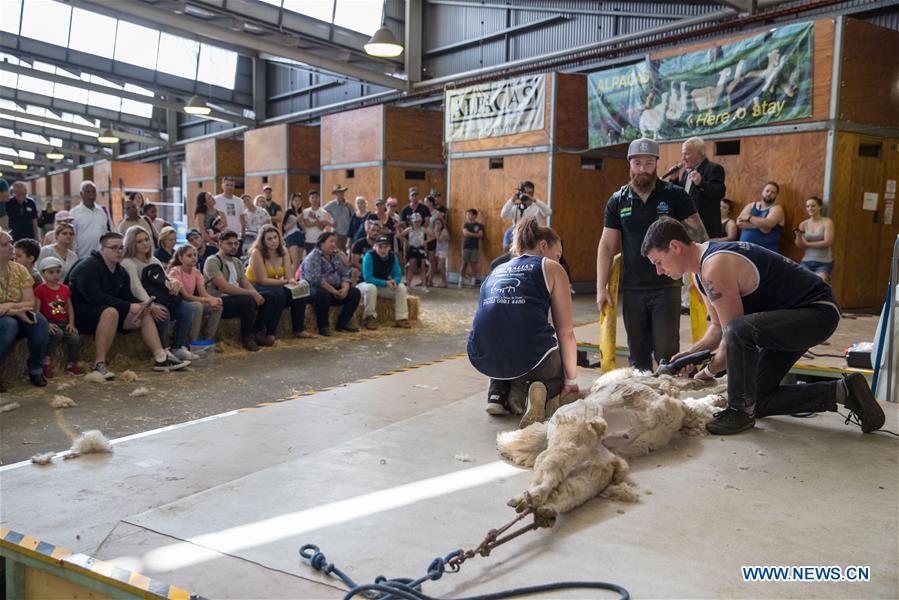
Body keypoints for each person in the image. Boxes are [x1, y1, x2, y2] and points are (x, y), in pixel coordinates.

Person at [640, 217, 884, 435]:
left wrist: (706, 373)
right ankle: (844, 391)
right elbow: (716, 327)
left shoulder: (714, 266)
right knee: (756, 399)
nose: (659, 271)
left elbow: (730, 338)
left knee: (739, 336)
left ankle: (738, 412)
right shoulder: (699, 273)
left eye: (658, 262)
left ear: (674, 247)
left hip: (817, 312)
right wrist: (692, 354)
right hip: (787, 318)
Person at [595, 137, 708, 371]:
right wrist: (600, 287)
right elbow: (607, 245)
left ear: (657, 163)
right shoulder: (618, 200)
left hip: (667, 286)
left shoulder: (675, 195)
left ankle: (666, 404)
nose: (643, 169)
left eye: (648, 163)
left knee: (668, 354)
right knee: (637, 357)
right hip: (633, 287)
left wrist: (701, 276)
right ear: (629, 164)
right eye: (637, 163)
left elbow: (699, 237)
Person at [467, 217, 578, 426]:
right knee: (558, 358)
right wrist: (571, 381)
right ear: (544, 246)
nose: (559, 260)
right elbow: (566, 333)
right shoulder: (551, 268)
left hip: (481, 355)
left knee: (504, 332)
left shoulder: (496, 270)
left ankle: (499, 395)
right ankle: (542, 390)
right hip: (526, 355)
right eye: (558, 255)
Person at [67, 231, 190, 379]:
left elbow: (126, 297)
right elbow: (95, 298)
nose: (119, 251)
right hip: (78, 314)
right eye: (114, 248)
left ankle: (161, 357)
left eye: (121, 248)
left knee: (143, 311)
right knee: (111, 312)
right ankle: (99, 365)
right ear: (102, 249)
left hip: (108, 311)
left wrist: (143, 305)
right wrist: (129, 306)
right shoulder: (88, 267)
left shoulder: (120, 271)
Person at [121, 227, 197, 362]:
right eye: (139, 241)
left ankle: (178, 347)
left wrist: (175, 283)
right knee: (163, 312)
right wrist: (151, 306)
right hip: (141, 302)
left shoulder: (154, 260)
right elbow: (136, 288)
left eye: (146, 240)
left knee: (187, 308)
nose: (145, 243)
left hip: (160, 297)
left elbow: (166, 279)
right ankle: (163, 350)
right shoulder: (128, 262)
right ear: (132, 244)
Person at [203, 230, 280, 352]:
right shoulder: (213, 261)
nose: (233, 246)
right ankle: (246, 337)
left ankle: (256, 332)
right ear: (220, 244)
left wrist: (256, 294)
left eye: (235, 243)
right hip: (220, 301)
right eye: (229, 244)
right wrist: (251, 293)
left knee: (270, 297)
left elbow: (245, 282)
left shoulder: (237, 262)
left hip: (236, 298)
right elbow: (225, 288)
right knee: (247, 301)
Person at [246, 224, 313, 340]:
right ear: (263, 241)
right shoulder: (257, 252)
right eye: (269, 239)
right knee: (279, 294)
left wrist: (293, 282)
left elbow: (288, 276)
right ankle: (270, 332)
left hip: (276, 284)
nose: (274, 241)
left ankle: (299, 329)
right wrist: (286, 282)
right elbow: (262, 280)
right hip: (255, 285)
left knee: (299, 292)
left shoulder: (283, 251)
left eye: (275, 237)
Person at [0, 229, 49, 389]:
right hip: (7, 318)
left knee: (39, 321)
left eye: (11, 244)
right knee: (9, 325)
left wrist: (8, 306)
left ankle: (35, 369)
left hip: (17, 313)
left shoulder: (19, 269)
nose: (11, 248)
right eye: (5, 245)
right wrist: (15, 310)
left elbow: (30, 302)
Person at [301, 232, 361, 336]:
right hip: (314, 289)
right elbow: (316, 279)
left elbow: (345, 272)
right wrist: (333, 291)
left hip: (334, 289)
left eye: (335, 242)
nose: (334, 244)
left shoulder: (335, 255)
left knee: (355, 293)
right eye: (331, 241)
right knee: (321, 294)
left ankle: (342, 323)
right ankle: (323, 326)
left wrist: (345, 288)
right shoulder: (313, 257)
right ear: (321, 243)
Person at [666, 137, 726, 239]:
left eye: (686, 154)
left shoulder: (714, 168)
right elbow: (681, 196)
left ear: (699, 153)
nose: (683, 158)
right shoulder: (686, 172)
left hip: (706, 228)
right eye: (682, 154)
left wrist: (701, 183)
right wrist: (674, 180)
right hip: (687, 228)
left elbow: (719, 193)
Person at [34, 256, 83, 378]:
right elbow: (36, 310)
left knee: (75, 338)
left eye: (57, 271)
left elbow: (70, 307)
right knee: (57, 334)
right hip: (49, 322)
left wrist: (71, 323)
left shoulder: (65, 289)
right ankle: (46, 361)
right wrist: (46, 324)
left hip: (64, 321)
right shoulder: (40, 290)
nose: (55, 275)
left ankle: (71, 364)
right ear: (43, 274)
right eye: (51, 272)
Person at [168, 244, 223, 344]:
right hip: (178, 303)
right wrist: (209, 300)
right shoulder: (175, 271)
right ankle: (193, 341)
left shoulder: (196, 272)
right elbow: (186, 296)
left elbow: (203, 293)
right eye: (189, 256)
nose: (193, 257)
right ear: (180, 258)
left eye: (195, 255)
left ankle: (208, 339)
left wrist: (214, 299)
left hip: (190, 302)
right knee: (197, 306)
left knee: (218, 306)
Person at [358, 235, 411, 330]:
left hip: (381, 285)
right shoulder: (369, 256)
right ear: (374, 247)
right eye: (380, 247)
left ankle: (401, 318)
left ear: (389, 248)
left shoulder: (392, 257)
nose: (383, 250)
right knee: (371, 287)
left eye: (386, 247)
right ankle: (369, 317)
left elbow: (398, 274)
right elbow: (368, 278)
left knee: (402, 287)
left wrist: (395, 281)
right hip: (364, 285)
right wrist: (386, 283)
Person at [499, 181, 551, 250]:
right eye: (526, 193)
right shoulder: (517, 207)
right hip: (518, 239)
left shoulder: (537, 207)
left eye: (531, 193)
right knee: (509, 233)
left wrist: (535, 200)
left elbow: (548, 212)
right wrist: (512, 200)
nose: (528, 195)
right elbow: (503, 215)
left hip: (533, 238)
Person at [794, 196, 835, 282]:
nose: (810, 208)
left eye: (813, 206)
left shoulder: (827, 222)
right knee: (801, 283)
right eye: (807, 206)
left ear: (819, 207)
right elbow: (800, 246)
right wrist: (798, 236)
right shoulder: (803, 224)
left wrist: (808, 244)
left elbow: (827, 242)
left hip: (824, 262)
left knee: (818, 283)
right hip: (807, 261)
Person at [737, 181, 785, 253]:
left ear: (776, 195)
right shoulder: (751, 205)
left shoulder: (777, 209)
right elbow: (739, 222)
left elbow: (768, 224)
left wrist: (749, 217)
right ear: (763, 192)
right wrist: (760, 226)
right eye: (767, 191)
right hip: (744, 250)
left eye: (773, 192)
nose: (769, 194)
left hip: (766, 252)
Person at [71, 180, 113, 259]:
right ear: (81, 194)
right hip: (83, 256)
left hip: (103, 256)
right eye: (88, 191)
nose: (91, 194)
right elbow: (73, 237)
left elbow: (110, 232)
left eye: (93, 191)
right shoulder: (74, 213)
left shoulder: (103, 211)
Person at [398, 212, 433, 290]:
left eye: (418, 222)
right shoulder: (409, 229)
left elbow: (433, 236)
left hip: (421, 248)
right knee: (411, 266)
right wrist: (407, 241)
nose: (416, 223)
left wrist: (425, 242)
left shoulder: (423, 229)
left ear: (421, 222)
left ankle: (424, 285)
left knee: (423, 267)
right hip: (412, 248)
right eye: (415, 222)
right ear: (412, 222)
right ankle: (409, 285)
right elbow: (400, 236)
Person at [302, 190, 332, 255]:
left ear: (319, 199)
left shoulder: (324, 212)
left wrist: (314, 218)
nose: (314, 199)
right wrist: (319, 222)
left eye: (316, 197)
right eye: (312, 197)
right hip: (308, 240)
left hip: (320, 241)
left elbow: (321, 227)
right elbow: (307, 225)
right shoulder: (305, 211)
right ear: (309, 199)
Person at [324, 184, 353, 251]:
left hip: (347, 233)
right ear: (336, 194)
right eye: (339, 192)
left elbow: (353, 216)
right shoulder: (332, 204)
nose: (341, 193)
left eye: (342, 192)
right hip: (337, 232)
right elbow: (320, 212)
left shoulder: (348, 204)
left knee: (346, 252)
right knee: (337, 251)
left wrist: (351, 207)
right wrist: (329, 223)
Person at [459, 208, 484, 287]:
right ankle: (461, 281)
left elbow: (480, 235)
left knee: (474, 264)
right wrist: (474, 234)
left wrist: (470, 234)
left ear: (475, 215)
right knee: (464, 263)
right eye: (467, 214)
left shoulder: (479, 225)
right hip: (466, 246)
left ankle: (473, 281)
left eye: (470, 214)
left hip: (474, 247)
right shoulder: (465, 224)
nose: (468, 216)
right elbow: (465, 233)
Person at [282, 192, 306, 268]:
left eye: (299, 201)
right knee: (294, 263)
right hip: (291, 236)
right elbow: (284, 227)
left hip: (300, 236)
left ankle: (295, 278)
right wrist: (296, 220)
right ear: (292, 202)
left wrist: (300, 221)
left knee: (298, 264)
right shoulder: (288, 212)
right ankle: (291, 279)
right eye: (295, 200)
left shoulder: (302, 212)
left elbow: (304, 229)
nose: (297, 203)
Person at [432, 217, 450, 288]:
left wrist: (436, 231)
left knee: (440, 267)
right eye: (436, 224)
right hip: (438, 250)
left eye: (439, 224)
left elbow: (439, 239)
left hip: (443, 251)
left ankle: (445, 282)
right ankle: (443, 281)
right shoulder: (438, 231)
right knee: (440, 267)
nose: (437, 225)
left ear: (442, 224)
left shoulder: (444, 231)